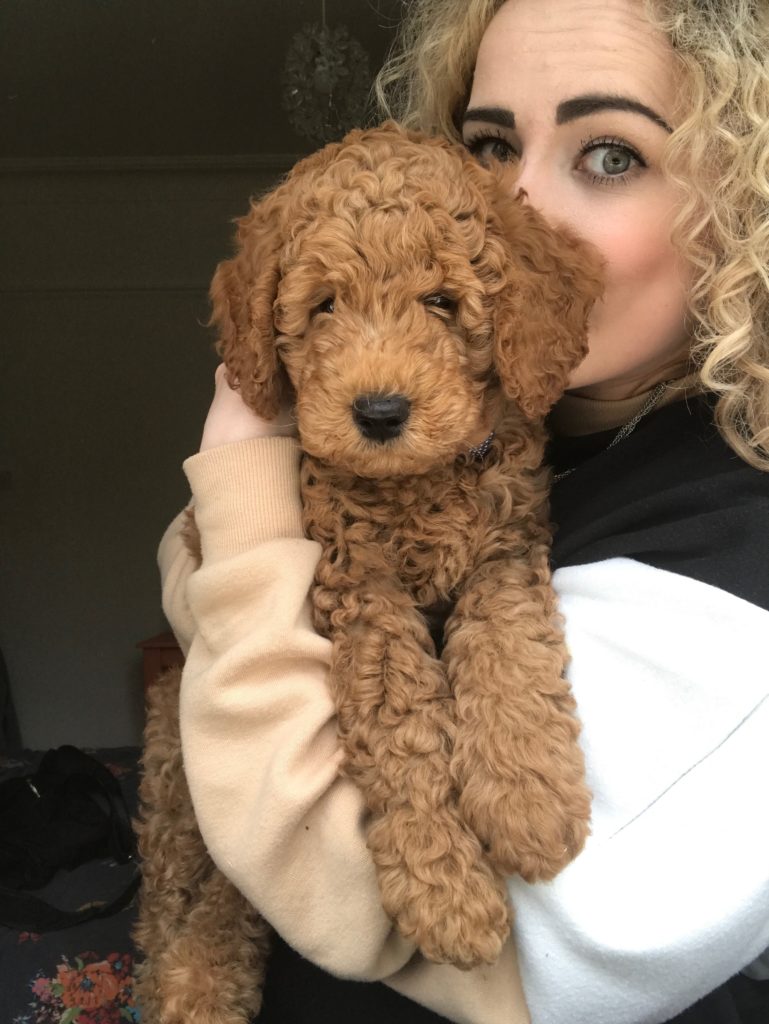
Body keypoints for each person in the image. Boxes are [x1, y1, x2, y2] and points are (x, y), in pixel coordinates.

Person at [157, 1, 769, 1021]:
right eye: (487, 144)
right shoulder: (525, 430)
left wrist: (243, 517)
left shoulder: (733, 544)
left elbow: (501, 949)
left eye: (609, 154)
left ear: (746, 205)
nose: (511, 208)